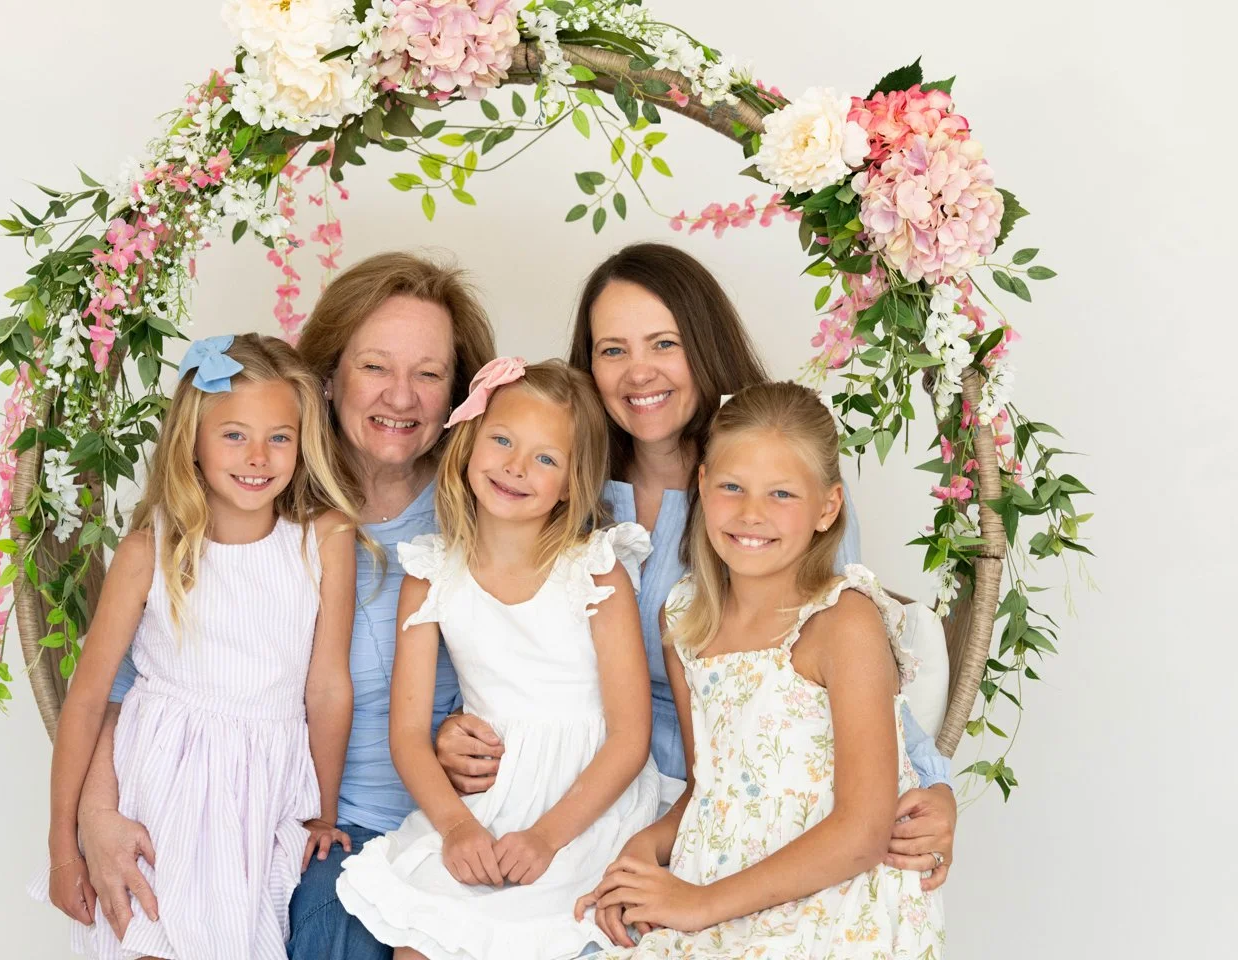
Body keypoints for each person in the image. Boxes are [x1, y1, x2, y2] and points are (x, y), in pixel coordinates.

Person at [437, 243, 956, 886]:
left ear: (704, 345)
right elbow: (489, 625)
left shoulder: (772, 500)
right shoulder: (559, 484)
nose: (639, 373)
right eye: (613, 350)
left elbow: (848, 657)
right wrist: (453, 729)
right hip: (566, 792)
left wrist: (934, 787)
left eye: (664, 344)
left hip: (728, 801)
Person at [76, 252, 497, 960]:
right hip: (291, 824)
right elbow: (134, 684)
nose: (401, 397)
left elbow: (542, 663)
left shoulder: (486, 502)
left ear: (457, 392)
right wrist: (93, 816)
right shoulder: (262, 506)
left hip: (452, 819)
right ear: (326, 378)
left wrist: (469, 726)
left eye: (429, 374)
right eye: (375, 367)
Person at [578, 382, 944, 958]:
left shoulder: (844, 622)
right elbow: (708, 787)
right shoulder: (685, 619)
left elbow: (864, 831)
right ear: (702, 485)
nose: (752, 513)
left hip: (835, 899)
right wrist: (642, 852)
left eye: (782, 494)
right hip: (715, 879)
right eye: (732, 487)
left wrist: (700, 904)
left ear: (828, 507)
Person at [32, 334, 363, 958]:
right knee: (152, 941)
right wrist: (62, 846)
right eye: (234, 435)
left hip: (264, 793)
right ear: (193, 439)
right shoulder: (149, 550)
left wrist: (322, 810)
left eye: (280, 437)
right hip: (162, 778)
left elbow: (326, 686)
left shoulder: (324, 540)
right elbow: (88, 697)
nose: (258, 457)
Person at [336, 359, 661, 960]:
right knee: (420, 945)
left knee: (553, 935)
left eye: (545, 458)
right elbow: (407, 735)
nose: (516, 467)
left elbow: (629, 736)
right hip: (485, 799)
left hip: (585, 805)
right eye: (503, 441)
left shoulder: (595, 571)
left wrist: (547, 837)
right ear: (468, 445)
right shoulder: (432, 574)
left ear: (572, 483)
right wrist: (457, 827)